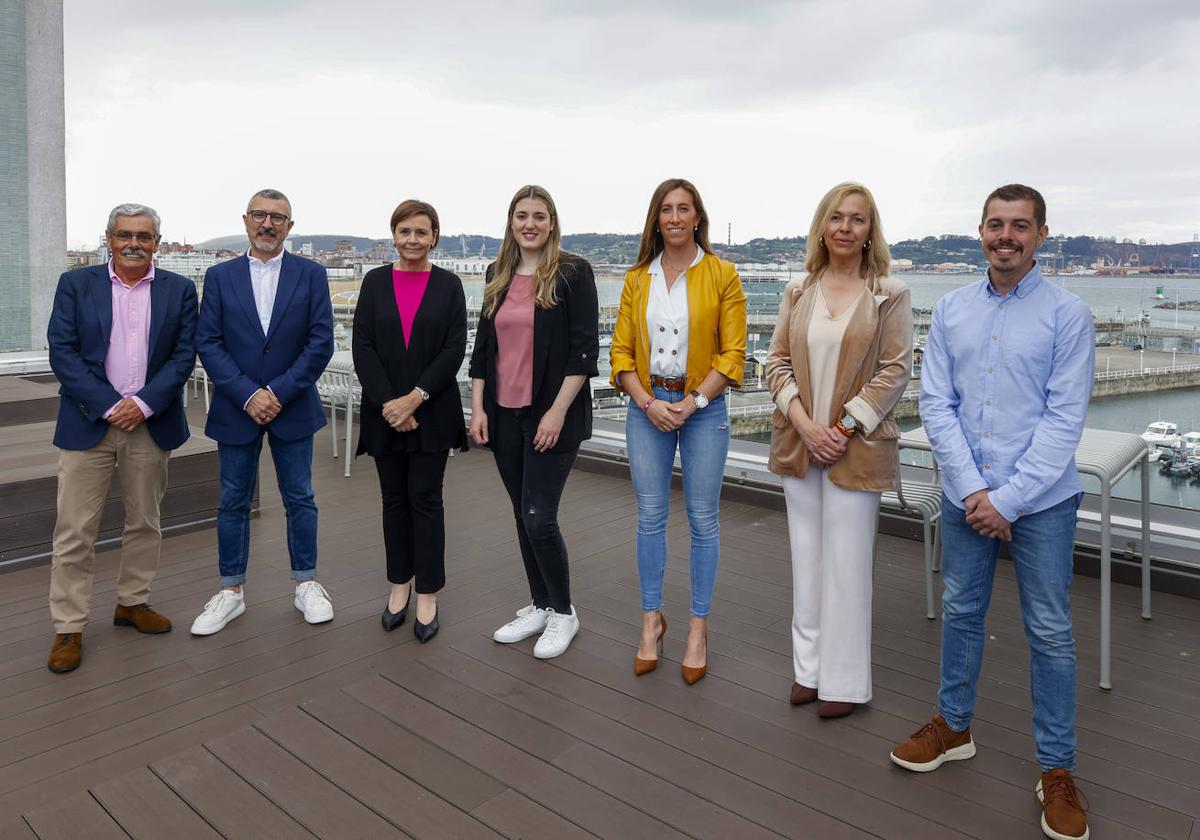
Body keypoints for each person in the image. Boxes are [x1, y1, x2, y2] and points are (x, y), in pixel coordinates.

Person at [889, 184, 1094, 840]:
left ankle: (1056, 770)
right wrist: (976, 491)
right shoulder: (949, 310)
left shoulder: (1069, 316)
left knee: (1051, 632)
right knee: (961, 612)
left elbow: (1065, 421)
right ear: (980, 231)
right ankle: (953, 727)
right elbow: (937, 403)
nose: (1006, 236)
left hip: (1042, 503)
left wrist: (1006, 500)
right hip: (967, 496)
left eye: (1020, 226)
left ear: (1040, 234)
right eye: (996, 225)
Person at [765, 182, 912, 718]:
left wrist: (841, 430)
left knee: (847, 566)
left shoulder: (889, 292)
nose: (846, 228)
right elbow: (775, 361)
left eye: (857, 219)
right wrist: (807, 426)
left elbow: (895, 370)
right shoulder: (798, 289)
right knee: (807, 561)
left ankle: (844, 684)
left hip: (856, 447)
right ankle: (808, 670)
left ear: (870, 229)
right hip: (802, 445)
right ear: (822, 227)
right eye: (837, 217)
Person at [44, 203, 198, 673]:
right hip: (89, 421)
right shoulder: (76, 285)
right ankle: (68, 626)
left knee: (145, 522)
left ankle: (132, 602)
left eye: (145, 236)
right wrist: (112, 405)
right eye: (125, 234)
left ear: (157, 242)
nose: (134, 243)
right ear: (109, 238)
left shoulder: (180, 290)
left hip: (150, 423)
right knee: (74, 530)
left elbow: (182, 356)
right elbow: (63, 352)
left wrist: (143, 403)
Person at [610, 178, 746, 684]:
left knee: (703, 519)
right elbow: (620, 352)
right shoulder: (635, 279)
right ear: (656, 219)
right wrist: (647, 402)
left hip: (703, 408)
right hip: (647, 406)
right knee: (649, 516)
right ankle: (651, 623)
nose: (674, 217)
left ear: (696, 217)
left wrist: (692, 403)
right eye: (665, 209)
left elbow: (732, 354)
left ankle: (697, 629)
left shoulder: (723, 275)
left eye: (683, 209)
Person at [190, 189, 335, 635]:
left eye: (278, 217)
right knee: (233, 500)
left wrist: (276, 392)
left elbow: (320, 341)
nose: (268, 223)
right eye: (260, 215)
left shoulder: (311, 274)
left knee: (300, 498)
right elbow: (208, 342)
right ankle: (230, 592)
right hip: (237, 408)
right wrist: (249, 394)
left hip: (292, 407)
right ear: (246, 220)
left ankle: (306, 583)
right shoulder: (219, 276)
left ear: (290, 226)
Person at [469, 185, 599, 660]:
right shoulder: (497, 274)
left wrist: (557, 412)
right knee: (521, 514)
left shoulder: (572, 273)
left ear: (551, 223)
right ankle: (541, 604)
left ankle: (564, 612)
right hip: (503, 415)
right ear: (510, 222)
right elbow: (483, 350)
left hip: (551, 416)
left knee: (538, 517)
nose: (529, 224)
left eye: (538, 216)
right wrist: (478, 408)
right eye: (521, 215)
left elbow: (585, 351)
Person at [353, 200, 467, 643]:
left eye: (422, 232)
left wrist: (414, 399)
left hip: (431, 413)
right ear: (393, 235)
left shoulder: (450, 285)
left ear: (434, 237)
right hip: (385, 414)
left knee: (426, 500)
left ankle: (428, 594)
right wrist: (391, 404)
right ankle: (398, 585)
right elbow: (363, 346)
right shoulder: (374, 282)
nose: (413, 240)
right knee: (393, 501)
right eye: (405, 231)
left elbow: (453, 349)